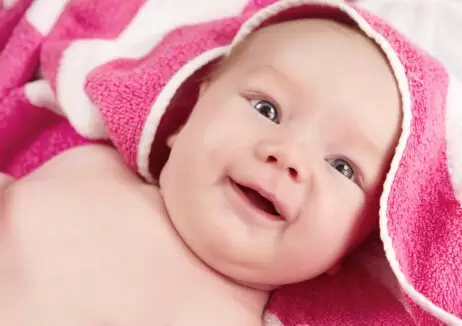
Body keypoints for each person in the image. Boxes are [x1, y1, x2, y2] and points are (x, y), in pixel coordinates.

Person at [0, 17, 401, 326]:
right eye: (267, 109)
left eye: (343, 167)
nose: (290, 155)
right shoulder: (90, 167)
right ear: (187, 116)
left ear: (352, 245)